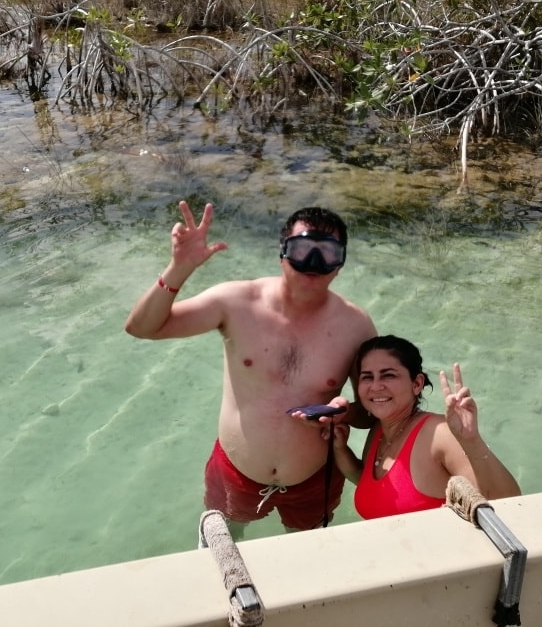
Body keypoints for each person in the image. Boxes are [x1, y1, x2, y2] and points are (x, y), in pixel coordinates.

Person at [124, 200, 377, 533]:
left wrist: (344, 413)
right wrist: (179, 268)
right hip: (236, 474)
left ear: (340, 262)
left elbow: (373, 413)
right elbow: (142, 328)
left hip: (315, 479)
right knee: (226, 542)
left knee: (305, 559)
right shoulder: (235, 303)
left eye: (327, 252)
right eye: (303, 249)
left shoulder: (355, 326)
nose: (314, 263)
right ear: (282, 251)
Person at [332, 335, 520, 519]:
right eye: (367, 377)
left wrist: (472, 440)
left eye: (388, 375)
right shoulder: (379, 431)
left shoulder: (438, 434)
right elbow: (369, 485)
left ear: (416, 384)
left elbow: (510, 504)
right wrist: (340, 449)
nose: (376, 386)